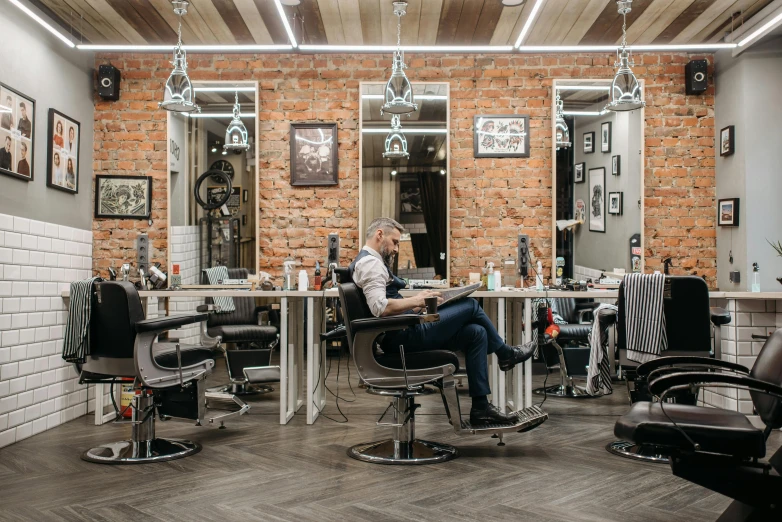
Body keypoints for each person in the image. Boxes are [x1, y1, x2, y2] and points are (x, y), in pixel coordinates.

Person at [350, 217, 535, 426]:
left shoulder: (370, 262)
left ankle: (481, 408)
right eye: (395, 242)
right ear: (379, 235)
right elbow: (380, 308)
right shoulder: (370, 263)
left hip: (403, 332)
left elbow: (385, 306)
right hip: (403, 339)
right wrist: (417, 300)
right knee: (471, 306)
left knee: (476, 333)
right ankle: (506, 354)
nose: (396, 249)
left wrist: (418, 304)